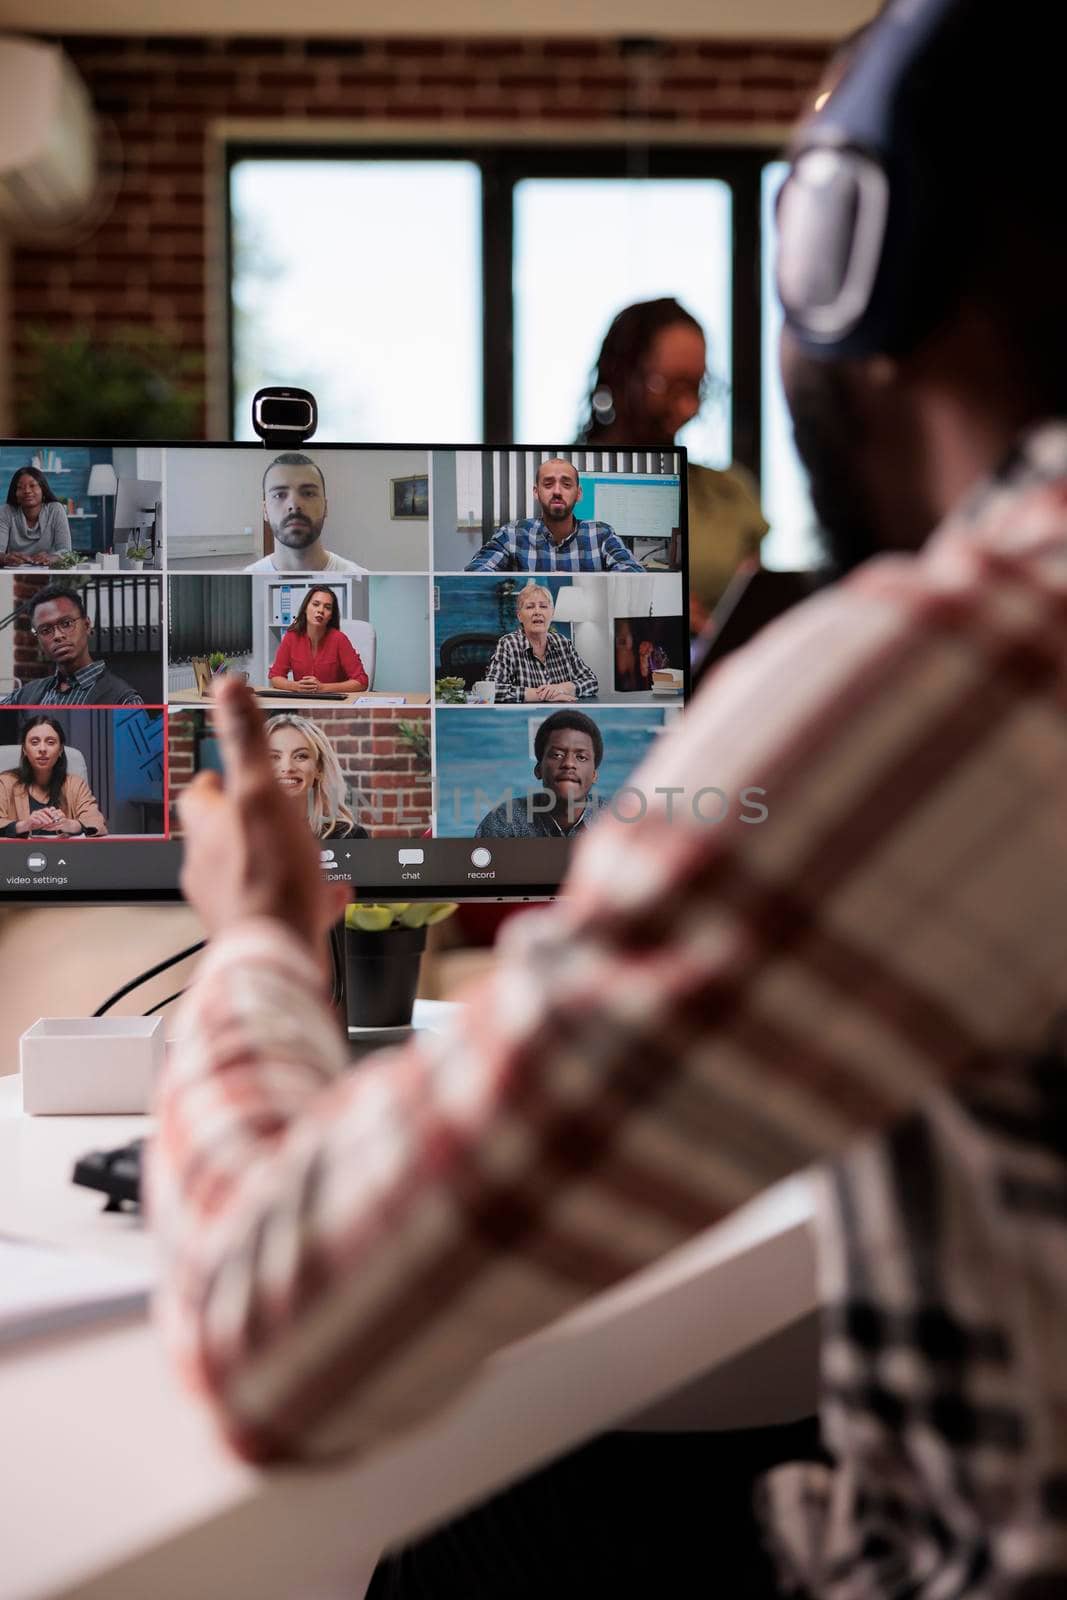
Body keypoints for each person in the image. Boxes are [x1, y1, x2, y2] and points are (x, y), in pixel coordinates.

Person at [151, 4, 1067, 1595]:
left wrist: (256, 942)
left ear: (853, 267)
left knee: (436, 1527)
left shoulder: (963, 666)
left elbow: (277, 1336)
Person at [579, 297, 769, 632]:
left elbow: (752, 611)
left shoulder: (729, 493)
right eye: (669, 386)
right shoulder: (560, 486)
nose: (686, 407)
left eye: (697, 388)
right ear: (621, 374)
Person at [466, 458, 643, 573]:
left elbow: (633, 576)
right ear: (536, 492)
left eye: (566, 484)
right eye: (548, 484)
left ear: (579, 493)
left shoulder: (601, 534)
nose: (557, 491)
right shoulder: (512, 535)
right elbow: (474, 575)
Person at [471, 709, 607, 838]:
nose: (569, 763)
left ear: (594, 775)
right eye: (557, 755)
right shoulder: (505, 820)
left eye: (581, 757)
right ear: (538, 770)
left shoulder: (616, 821)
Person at [2, 585, 145, 707]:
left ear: (87, 625)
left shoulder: (123, 700)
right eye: (45, 630)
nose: (57, 635)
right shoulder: (25, 695)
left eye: (66, 623)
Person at [245, 454, 368, 576]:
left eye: (308, 493)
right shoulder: (249, 577)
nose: (294, 504)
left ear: (325, 507)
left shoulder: (359, 577)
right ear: (265, 510)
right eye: (279, 495)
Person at [482, 582, 598, 703]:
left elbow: (591, 681)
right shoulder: (508, 644)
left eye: (543, 606)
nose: (537, 612)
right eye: (530, 607)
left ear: (552, 613)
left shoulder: (563, 643)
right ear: (519, 616)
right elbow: (490, 690)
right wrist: (541, 695)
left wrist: (562, 688)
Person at [0, 715, 107, 837]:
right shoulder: (5, 783)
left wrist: (70, 825)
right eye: (34, 742)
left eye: (50, 742)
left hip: (64, 854)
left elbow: (98, 823)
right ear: (24, 749)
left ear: (60, 749)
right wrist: (24, 825)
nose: (42, 749)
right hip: (19, 854)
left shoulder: (75, 784)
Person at [265, 713, 367, 839]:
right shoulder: (241, 836)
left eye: (301, 756)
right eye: (274, 757)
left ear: (319, 768)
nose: (288, 768)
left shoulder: (349, 836)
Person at [268, 586, 368, 694]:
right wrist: (296, 686)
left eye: (327, 607)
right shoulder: (291, 637)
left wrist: (323, 688)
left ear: (331, 616)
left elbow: (361, 681)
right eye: (315, 604)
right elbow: (275, 676)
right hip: (303, 703)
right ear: (305, 608)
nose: (320, 610)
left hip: (334, 705)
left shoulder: (339, 639)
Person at [0, 467, 73, 568]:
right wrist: (6, 558)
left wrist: (52, 558)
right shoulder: (5, 511)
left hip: (48, 574)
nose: (27, 491)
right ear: (15, 493)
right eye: (20, 487)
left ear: (43, 489)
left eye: (32, 485)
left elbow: (67, 552)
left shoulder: (55, 509)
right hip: (14, 572)